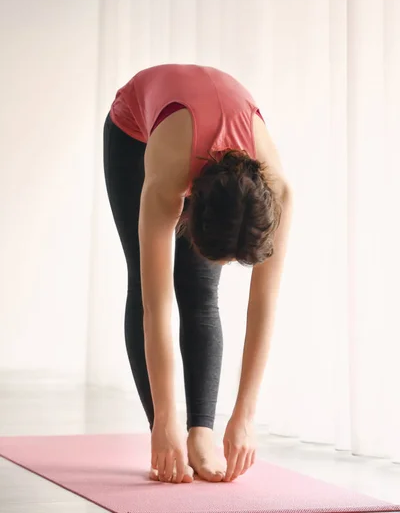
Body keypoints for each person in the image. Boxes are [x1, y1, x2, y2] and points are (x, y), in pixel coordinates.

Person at [103, 63, 292, 485]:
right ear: (189, 213)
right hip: (135, 131)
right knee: (149, 278)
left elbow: (264, 305)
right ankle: (166, 430)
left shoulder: (277, 192)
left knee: (202, 292)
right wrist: (166, 419)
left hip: (206, 127)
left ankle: (200, 432)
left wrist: (245, 415)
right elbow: (156, 305)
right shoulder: (167, 178)